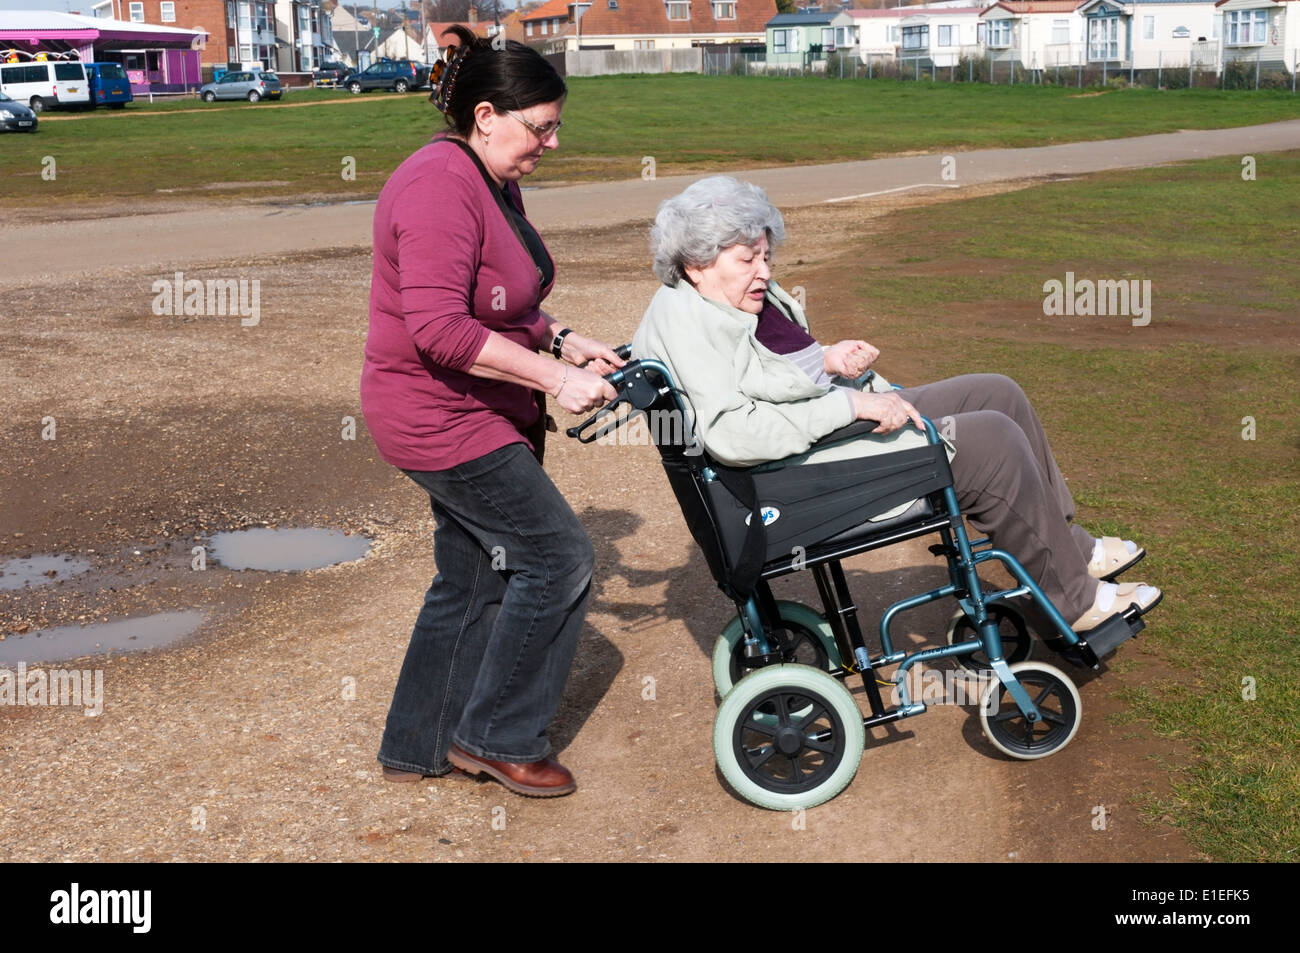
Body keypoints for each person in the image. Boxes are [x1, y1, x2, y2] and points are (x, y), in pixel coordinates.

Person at [631, 176, 1160, 636]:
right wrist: (853, 406)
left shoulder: (709, 302)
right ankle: (1074, 600)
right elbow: (735, 433)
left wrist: (836, 368)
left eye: (767, 257)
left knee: (998, 391)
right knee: (990, 440)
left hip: (816, 437)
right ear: (697, 263)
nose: (765, 271)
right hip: (793, 478)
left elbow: (770, 378)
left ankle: (1069, 550)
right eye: (748, 259)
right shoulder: (689, 321)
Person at [360, 26, 623, 797]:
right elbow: (440, 329)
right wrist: (550, 377)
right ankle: (498, 736)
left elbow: (502, 298)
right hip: (438, 416)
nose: (551, 142)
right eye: (540, 126)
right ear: (485, 115)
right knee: (558, 556)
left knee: (474, 572)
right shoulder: (438, 185)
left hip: (478, 407)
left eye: (555, 125)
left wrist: (564, 338)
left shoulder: (492, 176)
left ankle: (418, 743)